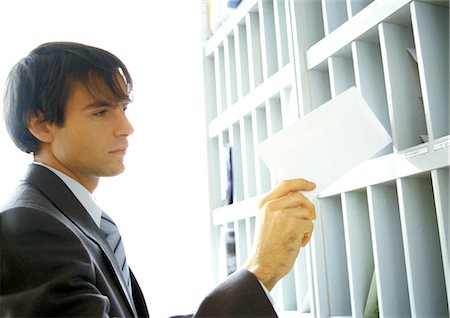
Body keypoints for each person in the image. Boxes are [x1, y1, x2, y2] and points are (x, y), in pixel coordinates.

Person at [0, 42, 316, 317]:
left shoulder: (68, 218)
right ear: (40, 124)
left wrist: (260, 275)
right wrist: (261, 268)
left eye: (123, 108)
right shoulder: (29, 227)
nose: (126, 127)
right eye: (101, 112)